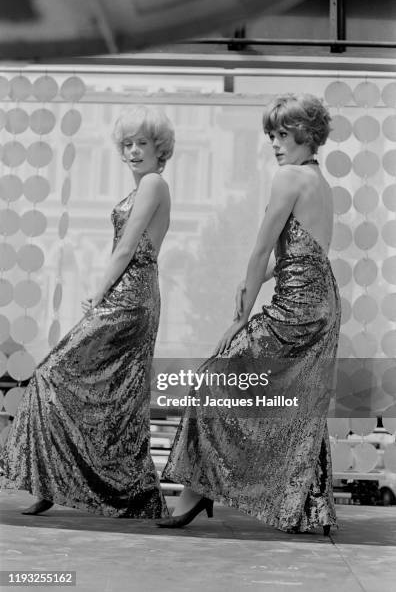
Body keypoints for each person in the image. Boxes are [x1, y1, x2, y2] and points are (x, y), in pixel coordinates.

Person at [158, 93, 340, 535]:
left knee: (215, 380)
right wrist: (270, 278)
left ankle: (196, 492)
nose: (274, 144)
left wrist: (240, 317)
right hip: (322, 307)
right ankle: (301, 507)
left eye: (282, 134)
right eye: (270, 136)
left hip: (296, 310)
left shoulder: (289, 178)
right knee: (296, 406)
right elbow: (306, 252)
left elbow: (261, 249)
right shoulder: (319, 181)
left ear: (306, 134)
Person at [1, 105, 175, 519]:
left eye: (142, 144)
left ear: (159, 149)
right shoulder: (142, 186)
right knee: (114, 395)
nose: (133, 151)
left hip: (130, 300)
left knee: (52, 374)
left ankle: (63, 483)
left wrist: (98, 293)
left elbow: (128, 246)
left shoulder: (153, 183)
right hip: (129, 296)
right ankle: (71, 484)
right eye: (127, 144)